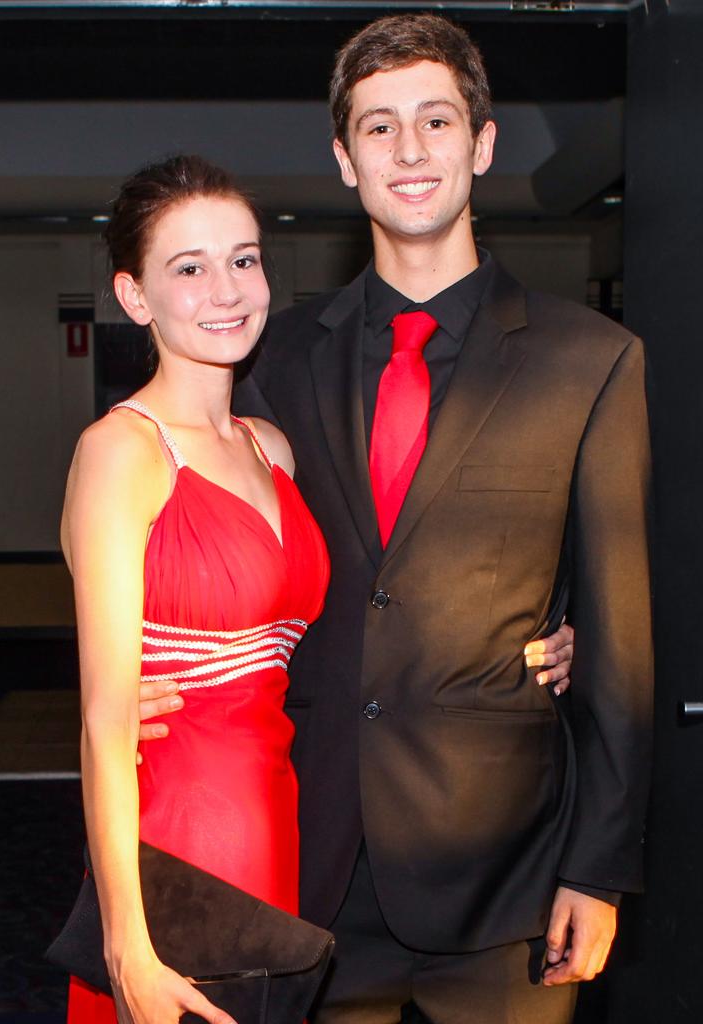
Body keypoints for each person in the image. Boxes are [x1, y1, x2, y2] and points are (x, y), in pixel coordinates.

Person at [136, 13, 652, 1024]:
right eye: (378, 127)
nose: (408, 151)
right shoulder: (272, 356)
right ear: (343, 158)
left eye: (435, 121)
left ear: (483, 143)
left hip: (509, 874)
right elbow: (208, 534)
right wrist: (154, 662)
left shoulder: (591, 359)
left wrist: (600, 867)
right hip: (312, 855)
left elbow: (625, 646)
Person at [61, 154, 330, 1024]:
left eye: (244, 259)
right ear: (135, 297)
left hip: (276, 812)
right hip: (175, 837)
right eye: (190, 267)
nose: (228, 289)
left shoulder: (272, 449)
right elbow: (105, 719)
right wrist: (124, 943)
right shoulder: (122, 452)